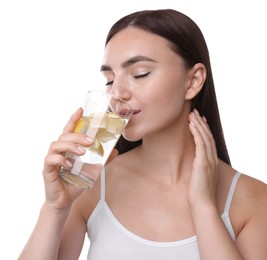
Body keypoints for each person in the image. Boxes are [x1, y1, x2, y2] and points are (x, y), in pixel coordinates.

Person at [18, 9, 267, 260]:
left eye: (140, 74)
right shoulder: (91, 182)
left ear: (193, 81)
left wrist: (204, 207)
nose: (117, 93)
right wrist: (55, 207)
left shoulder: (252, 199)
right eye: (109, 79)